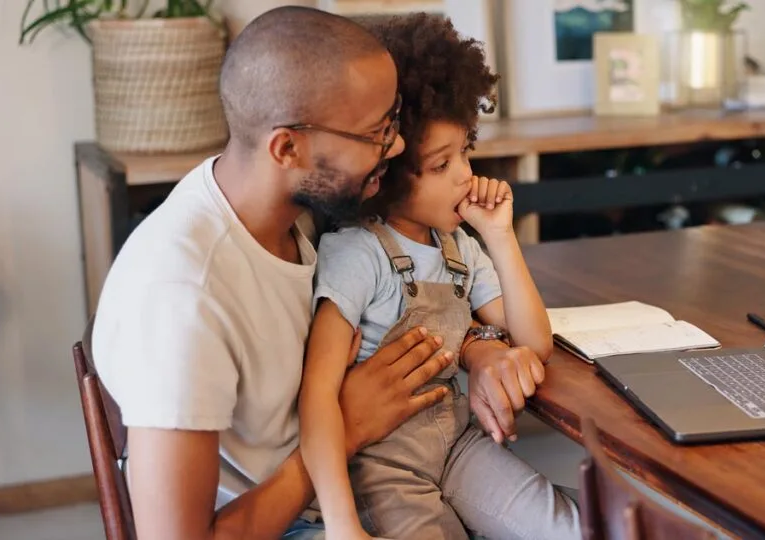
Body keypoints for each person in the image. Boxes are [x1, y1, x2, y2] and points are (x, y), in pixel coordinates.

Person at [90, 7, 526, 539]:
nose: (395, 146)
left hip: (360, 482)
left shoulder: (292, 208)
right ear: (287, 148)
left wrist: (479, 343)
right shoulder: (184, 298)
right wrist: (346, 428)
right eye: (375, 133)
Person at [296, 13, 581, 540]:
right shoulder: (355, 254)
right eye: (441, 165)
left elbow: (534, 342)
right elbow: (316, 396)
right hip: (383, 470)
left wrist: (500, 235)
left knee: (572, 526)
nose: (466, 176)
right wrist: (341, 524)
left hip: (457, 447)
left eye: (466, 152)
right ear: (386, 175)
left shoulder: (459, 248)